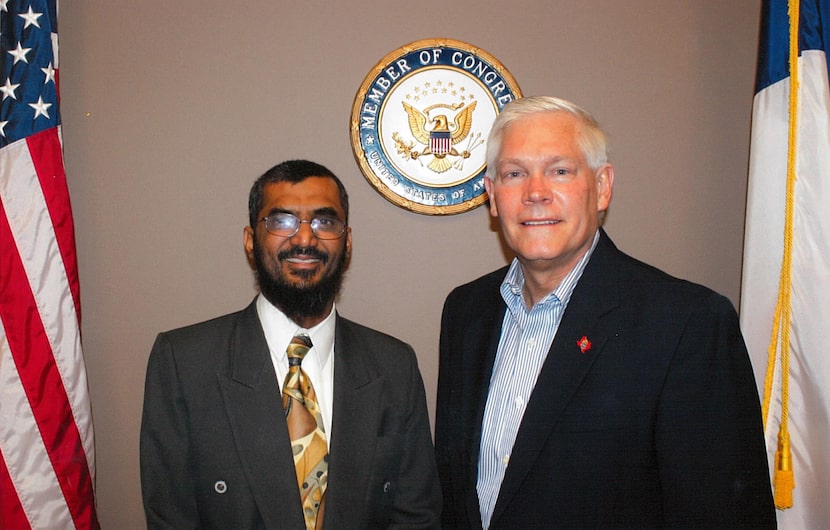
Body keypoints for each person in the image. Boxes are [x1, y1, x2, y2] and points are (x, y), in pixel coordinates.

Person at [434, 96, 776, 529]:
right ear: (493, 197)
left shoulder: (687, 324)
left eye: (559, 171)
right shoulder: (466, 312)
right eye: (514, 174)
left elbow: (726, 516)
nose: (535, 192)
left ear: (602, 187)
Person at [140, 160, 441, 529]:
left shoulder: (394, 366)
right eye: (282, 220)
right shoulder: (184, 364)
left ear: (347, 243)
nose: (304, 238)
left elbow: (417, 519)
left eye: (324, 222)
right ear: (251, 240)